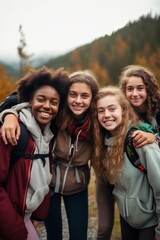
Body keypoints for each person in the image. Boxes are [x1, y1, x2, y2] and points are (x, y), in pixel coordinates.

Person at [0, 69, 99, 240]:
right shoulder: (55, 118)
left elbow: (120, 118)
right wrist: (10, 115)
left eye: (85, 96)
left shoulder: (96, 122)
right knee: (54, 235)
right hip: (51, 186)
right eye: (72, 94)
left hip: (76, 187)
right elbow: (21, 98)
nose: (78, 101)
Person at [0, 66, 69, 240]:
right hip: (9, 224)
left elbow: (44, 175)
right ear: (30, 101)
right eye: (41, 99)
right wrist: (15, 229)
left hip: (23, 218)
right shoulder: (13, 132)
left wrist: (38, 215)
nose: (47, 106)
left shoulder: (47, 135)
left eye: (54, 102)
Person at [92, 86, 160, 240]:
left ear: (123, 110)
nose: (106, 115)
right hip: (127, 220)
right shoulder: (104, 143)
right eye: (101, 111)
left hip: (150, 223)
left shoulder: (139, 141)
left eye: (111, 109)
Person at [119, 64, 160, 141]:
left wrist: (155, 138)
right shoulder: (123, 113)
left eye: (140, 88)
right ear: (124, 91)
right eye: (130, 89)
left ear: (148, 89)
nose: (135, 94)